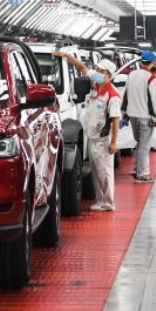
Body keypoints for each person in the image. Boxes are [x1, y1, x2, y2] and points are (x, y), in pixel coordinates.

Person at [57, 50, 120, 211]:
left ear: (109, 75)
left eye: (101, 72)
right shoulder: (97, 83)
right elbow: (83, 68)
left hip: (103, 140)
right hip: (92, 136)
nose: (97, 73)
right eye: (98, 70)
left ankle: (109, 203)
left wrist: (114, 143)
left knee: (104, 172)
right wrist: (67, 56)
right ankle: (101, 201)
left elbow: (115, 120)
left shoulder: (113, 95)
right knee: (96, 171)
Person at [122, 50, 156, 183]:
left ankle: (138, 168)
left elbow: (126, 94)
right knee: (145, 145)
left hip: (132, 115)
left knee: (139, 143)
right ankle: (142, 174)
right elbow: (154, 100)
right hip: (146, 117)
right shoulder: (152, 78)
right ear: (153, 62)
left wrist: (124, 112)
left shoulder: (132, 74)